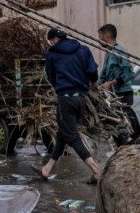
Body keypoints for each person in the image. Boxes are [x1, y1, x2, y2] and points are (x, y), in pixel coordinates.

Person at [38, 27, 100, 181]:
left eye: (50, 41)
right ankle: (47, 168)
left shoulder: (52, 54)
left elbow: (51, 77)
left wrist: (60, 87)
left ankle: (96, 170)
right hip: (81, 100)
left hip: (66, 99)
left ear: (53, 40)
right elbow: (92, 70)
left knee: (72, 136)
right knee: (63, 134)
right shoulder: (83, 49)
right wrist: (93, 83)